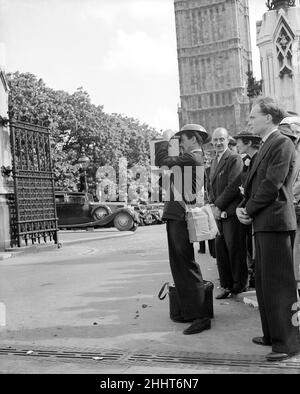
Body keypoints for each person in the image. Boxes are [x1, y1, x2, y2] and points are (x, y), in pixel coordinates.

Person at [236, 97, 300, 362]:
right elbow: (252, 185)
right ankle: (272, 334)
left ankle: (289, 342)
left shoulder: (282, 143)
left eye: (253, 116)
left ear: (268, 118)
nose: (249, 120)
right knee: (263, 284)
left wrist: (248, 209)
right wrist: (243, 206)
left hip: (275, 222)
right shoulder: (266, 145)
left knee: (279, 286)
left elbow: (272, 184)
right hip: (263, 222)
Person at [155, 124, 211, 335]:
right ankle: (190, 312)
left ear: (194, 140)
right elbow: (167, 180)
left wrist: (165, 138)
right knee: (180, 265)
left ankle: (200, 316)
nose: (180, 144)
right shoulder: (189, 160)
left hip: (179, 216)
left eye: (182, 140)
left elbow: (161, 159)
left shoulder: (191, 157)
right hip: (176, 215)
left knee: (186, 265)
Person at [208, 127, 248, 299]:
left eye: (221, 139)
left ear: (227, 140)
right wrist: (211, 205)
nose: (218, 143)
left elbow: (233, 186)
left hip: (230, 212)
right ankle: (226, 285)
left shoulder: (234, 158)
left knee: (235, 250)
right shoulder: (214, 161)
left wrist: (217, 206)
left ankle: (239, 286)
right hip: (218, 214)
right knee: (221, 251)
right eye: (215, 140)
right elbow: (211, 186)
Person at [233, 131, 262, 288]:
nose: (237, 145)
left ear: (249, 143)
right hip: (249, 210)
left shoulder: (258, 159)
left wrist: (246, 207)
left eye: (239, 142)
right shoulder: (251, 160)